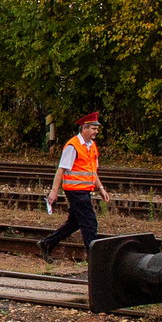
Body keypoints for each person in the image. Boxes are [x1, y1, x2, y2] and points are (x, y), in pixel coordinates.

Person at [39, 111, 110, 261]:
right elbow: (61, 169)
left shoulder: (91, 146)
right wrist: (53, 192)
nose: (96, 132)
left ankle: (47, 244)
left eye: (96, 129)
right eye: (93, 128)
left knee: (75, 223)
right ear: (84, 128)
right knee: (90, 223)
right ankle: (94, 259)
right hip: (75, 191)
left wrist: (101, 188)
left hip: (85, 191)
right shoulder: (73, 146)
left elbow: (92, 171)